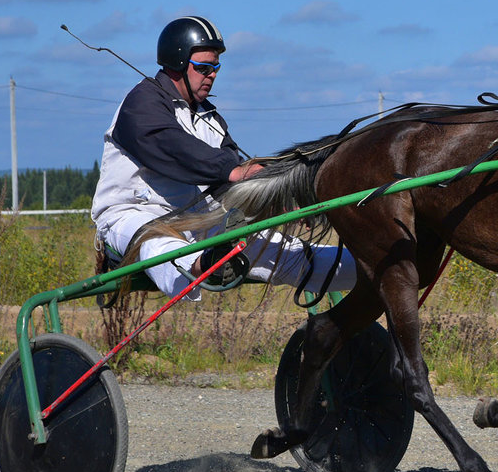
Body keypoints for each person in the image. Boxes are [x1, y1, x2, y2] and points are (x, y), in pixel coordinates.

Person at [91, 16, 355, 299]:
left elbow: (231, 182)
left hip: (200, 222)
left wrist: (282, 201)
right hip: (133, 215)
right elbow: (175, 147)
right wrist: (235, 170)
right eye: (203, 67)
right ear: (177, 63)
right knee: (157, 244)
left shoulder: (209, 117)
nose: (212, 74)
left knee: (291, 253)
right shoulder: (142, 103)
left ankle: (378, 262)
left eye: (216, 67)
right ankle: (205, 264)